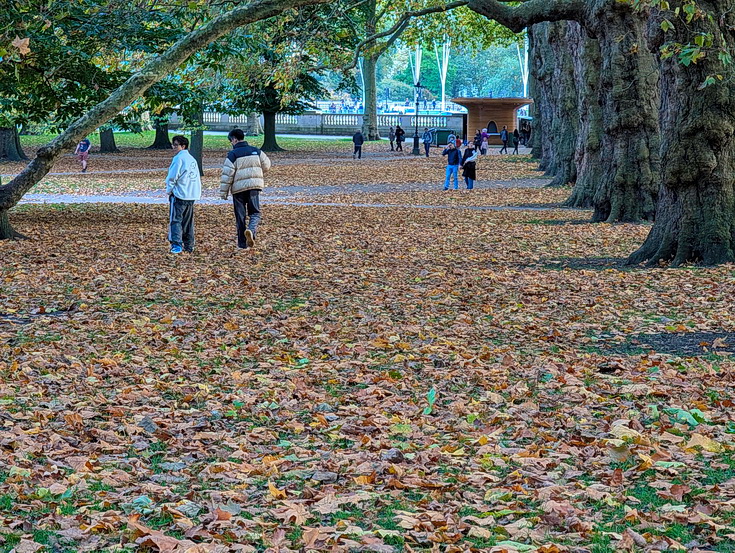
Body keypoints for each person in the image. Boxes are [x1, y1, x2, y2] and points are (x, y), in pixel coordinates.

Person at [219, 128, 271, 250]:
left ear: (234, 139)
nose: (231, 143)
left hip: (238, 190)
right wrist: (256, 173)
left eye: (231, 141)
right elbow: (267, 165)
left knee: (240, 216)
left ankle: (242, 244)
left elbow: (227, 175)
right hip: (254, 187)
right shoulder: (256, 151)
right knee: (255, 212)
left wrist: (224, 192)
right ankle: (251, 230)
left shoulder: (232, 155)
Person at [165, 135, 202, 254]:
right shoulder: (192, 159)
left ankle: (176, 244)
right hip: (191, 195)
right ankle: (189, 245)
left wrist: (169, 189)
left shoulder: (178, 158)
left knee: (176, 220)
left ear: (183, 146)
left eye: (176, 145)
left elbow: (172, 176)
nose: (174, 147)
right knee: (188, 221)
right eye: (173, 145)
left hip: (180, 194)